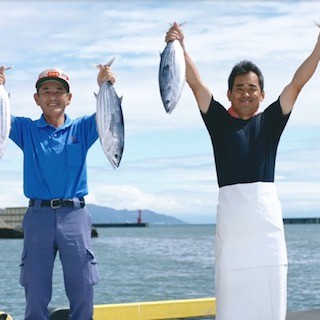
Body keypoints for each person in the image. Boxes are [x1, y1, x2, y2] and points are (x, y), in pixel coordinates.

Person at [165, 22, 320, 320]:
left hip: (267, 230)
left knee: (270, 297)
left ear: (262, 94)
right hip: (232, 228)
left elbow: (297, 84)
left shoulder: (272, 121)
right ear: (229, 93)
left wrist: (318, 48)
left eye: (252, 88)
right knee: (232, 300)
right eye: (240, 88)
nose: (246, 94)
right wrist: (181, 48)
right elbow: (196, 84)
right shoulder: (219, 123)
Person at [0, 64, 115, 320]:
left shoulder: (83, 128)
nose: (53, 95)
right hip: (37, 216)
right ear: (36, 99)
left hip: (75, 215)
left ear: (69, 98)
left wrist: (106, 85)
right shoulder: (25, 129)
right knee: (35, 287)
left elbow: (110, 115)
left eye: (59, 90)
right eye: (46, 90)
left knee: (83, 286)